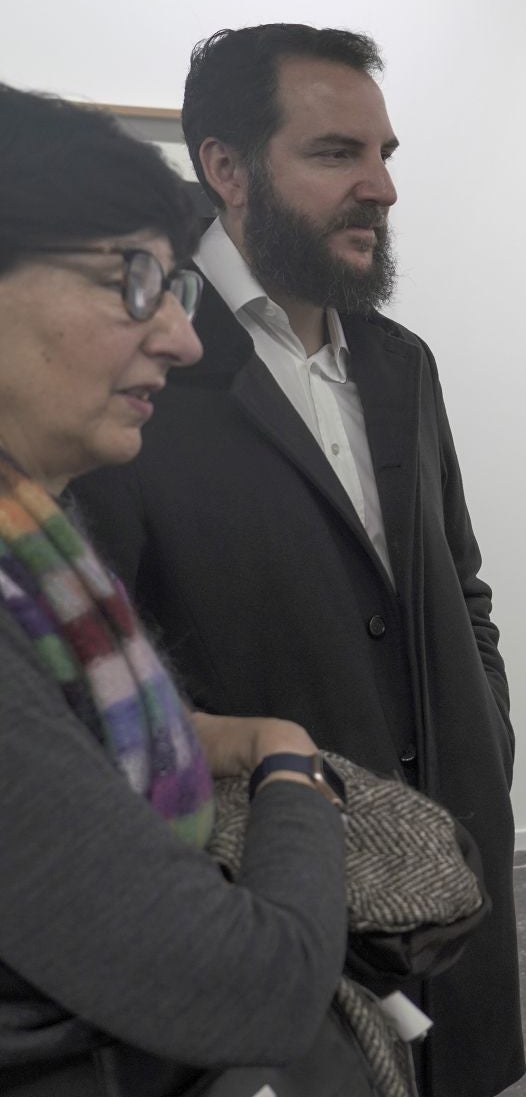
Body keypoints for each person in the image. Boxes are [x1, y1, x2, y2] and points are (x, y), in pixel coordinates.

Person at [67, 25, 522, 1097]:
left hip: (450, 899)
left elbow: (459, 584)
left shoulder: (401, 363)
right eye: (336, 155)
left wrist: (485, 739)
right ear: (225, 168)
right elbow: (101, 679)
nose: (381, 189)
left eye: (387, 155)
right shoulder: (141, 380)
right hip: (275, 924)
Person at [0, 84, 361, 1094]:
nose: (182, 337)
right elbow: (257, 986)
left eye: (176, 287)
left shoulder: (35, 543)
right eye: (134, 280)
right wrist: (291, 766)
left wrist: (220, 736)